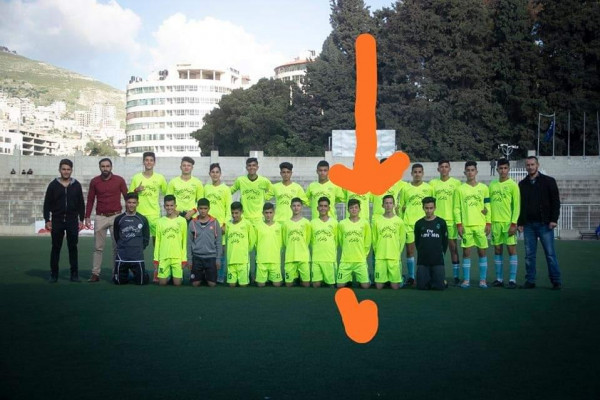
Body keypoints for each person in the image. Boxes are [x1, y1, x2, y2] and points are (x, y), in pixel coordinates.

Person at [517, 156, 562, 290]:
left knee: (550, 254)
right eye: (528, 165)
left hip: (545, 224)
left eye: (532, 164)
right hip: (528, 225)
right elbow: (521, 205)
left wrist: (554, 219)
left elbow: (555, 201)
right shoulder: (522, 184)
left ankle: (556, 281)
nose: (530, 167)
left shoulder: (549, 181)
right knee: (529, 255)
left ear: (537, 165)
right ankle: (530, 281)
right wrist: (520, 222)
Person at [85, 158, 128, 282]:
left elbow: (127, 197)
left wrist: (127, 215)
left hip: (116, 217)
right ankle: (95, 273)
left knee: (117, 247)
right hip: (100, 217)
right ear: (100, 167)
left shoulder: (119, 180)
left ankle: (116, 273)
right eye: (103, 166)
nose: (105, 168)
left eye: (107, 166)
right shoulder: (95, 181)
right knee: (98, 247)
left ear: (111, 167)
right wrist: (87, 216)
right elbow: (90, 199)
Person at [43, 159, 85, 283]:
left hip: (72, 221)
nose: (66, 171)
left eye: (68, 169)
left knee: (73, 248)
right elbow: (47, 204)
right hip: (57, 220)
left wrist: (81, 219)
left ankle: (74, 274)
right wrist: (47, 219)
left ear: (71, 170)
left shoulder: (76, 185)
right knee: (56, 248)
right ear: (59, 170)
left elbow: (81, 204)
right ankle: (54, 274)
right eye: (63, 169)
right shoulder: (53, 185)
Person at [454, 161, 491, 288]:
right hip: (467, 226)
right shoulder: (460, 189)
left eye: (472, 170)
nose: (470, 172)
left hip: (481, 225)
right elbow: (457, 208)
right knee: (466, 253)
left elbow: (487, 206)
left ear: (476, 172)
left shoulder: (484, 188)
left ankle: (482, 280)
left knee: (482, 252)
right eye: (468, 170)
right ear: (464, 172)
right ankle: (466, 280)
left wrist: (488, 222)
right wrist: (459, 224)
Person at [398, 163, 435, 286]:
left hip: (424, 224)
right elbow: (401, 206)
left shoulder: (429, 188)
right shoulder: (405, 188)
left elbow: (433, 207)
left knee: (425, 251)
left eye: (419, 172)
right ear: (412, 173)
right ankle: (411, 277)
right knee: (410, 251)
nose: (417, 174)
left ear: (423, 173)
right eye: (415, 172)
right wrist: (401, 222)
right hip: (409, 224)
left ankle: (425, 275)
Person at [429, 160, 462, 284]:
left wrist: (459, 221)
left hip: (451, 220)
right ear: (438, 169)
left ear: (450, 169)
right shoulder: (433, 183)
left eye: (446, 167)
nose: (444, 169)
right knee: (438, 250)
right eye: (441, 167)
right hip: (437, 221)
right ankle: (438, 275)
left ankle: (456, 277)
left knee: (453, 248)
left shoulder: (456, 183)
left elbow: (459, 203)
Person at [489, 158, 520, 289]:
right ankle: (499, 279)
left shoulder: (513, 185)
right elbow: (488, 203)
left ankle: (512, 280)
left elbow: (517, 206)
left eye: (505, 168)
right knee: (497, 250)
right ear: (497, 170)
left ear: (509, 169)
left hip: (508, 223)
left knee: (511, 250)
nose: (503, 171)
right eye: (500, 168)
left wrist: (514, 223)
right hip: (495, 222)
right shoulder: (492, 184)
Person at [113, 193, 150, 285]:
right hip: (122, 256)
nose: (131, 205)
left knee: (141, 282)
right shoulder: (119, 219)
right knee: (118, 282)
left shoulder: (142, 219)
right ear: (125, 203)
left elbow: (146, 237)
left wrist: (139, 248)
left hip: (137, 256)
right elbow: (116, 236)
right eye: (129, 202)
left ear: (137, 203)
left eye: (134, 203)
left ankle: (142, 274)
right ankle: (126, 275)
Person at [129, 152, 167, 241]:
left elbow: (167, 193)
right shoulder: (136, 177)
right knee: (139, 239)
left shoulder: (160, 178)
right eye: (146, 160)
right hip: (139, 213)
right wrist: (136, 190)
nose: (149, 162)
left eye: (151, 160)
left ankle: (156, 251)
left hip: (154, 214)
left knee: (156, 239)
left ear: (154, 162)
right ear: (143, 162)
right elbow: (129, 196)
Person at [204, 163, 232, 283]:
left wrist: (225, 224)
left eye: (217, 172)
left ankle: (220, 276)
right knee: (208, 251)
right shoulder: (206, 188)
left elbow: (228, 208)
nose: (215, 174)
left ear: (220, 174)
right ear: (209, 174)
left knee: (221, 252)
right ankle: (209, 275)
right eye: (213, 172)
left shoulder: (226, 189)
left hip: (220, 225)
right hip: (207, 224)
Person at [372, 195, 406, 289]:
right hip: (380, 256)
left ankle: (400, 279)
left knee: (395, 287)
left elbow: (402, 239)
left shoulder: (399, 221)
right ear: (382, 205)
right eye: (386, 203)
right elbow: (374, 239)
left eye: (390, 203)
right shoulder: (377, 221)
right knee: (379, 287)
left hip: (394, 256)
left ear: (394, 205)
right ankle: (385, 278)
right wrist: (377, 251)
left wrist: (398, 252)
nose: (388, 205)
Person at [414, 197, 448, 290]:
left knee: (439, 287)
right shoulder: (419, 223)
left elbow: (445, 242)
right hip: (423, 261)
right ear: (423, 208)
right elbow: (417, 242)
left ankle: (441, 280)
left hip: (437, 260)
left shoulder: (441, 222)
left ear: (435, 208)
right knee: (421, 287)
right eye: (426, 208)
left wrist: (440, 253)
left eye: (431, 208)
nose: (429, 211)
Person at [187, 198, 222, 287]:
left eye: (205, 208)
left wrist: (218, 259)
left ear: (209, 209)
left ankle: (206, 274)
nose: (203, 211)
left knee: (212, 284)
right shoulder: (192, 223)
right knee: (195, 284)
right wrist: (190, 260)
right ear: (197, 209)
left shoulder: (215, 222)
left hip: (211, 257)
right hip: (197, 257)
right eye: (201, 208)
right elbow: (189, 243)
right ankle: (201, 275)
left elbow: (218, 242)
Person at [154, 195, 188, 286]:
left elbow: (184, 241)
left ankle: (175, 275)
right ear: (164, 206)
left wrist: (184, 259)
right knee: (162, 283)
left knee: (177, 284)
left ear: (175, 206)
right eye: (167, 205)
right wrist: (156, 259)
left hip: (177, 257)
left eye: (171, 205)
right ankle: (168, 275)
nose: (169, 208)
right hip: (164, 257)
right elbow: (158, 241)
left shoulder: (182, 221)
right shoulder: (160, 221)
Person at [337, 199, 371, 289]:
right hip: (346, 260)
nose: (354, 210)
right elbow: (341, 240)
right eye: (351, 208)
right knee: (340, 285)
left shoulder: (365, 223)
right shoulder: (342, 223)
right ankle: (349, 279)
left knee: (365, 286)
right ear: (348, 210)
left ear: (359, 209)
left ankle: (364, 279)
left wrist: (363, 255)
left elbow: (367, 241)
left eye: (356, 207)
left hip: (360, 260)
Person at [230, 157, 273, 226]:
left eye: (254, 165)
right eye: (249, 165)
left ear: (257, 167)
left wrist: (264, 197)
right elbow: (230, 191)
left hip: (259, 217)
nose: (251, 167)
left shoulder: (263, 181)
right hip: (244, 217)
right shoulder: (240, 180)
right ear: (246, 167)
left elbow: (273, 190)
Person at [225, 202, 256, 287]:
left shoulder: (247, 224)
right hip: (231, 260)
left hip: (243, 261)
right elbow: (227, 238)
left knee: (243, 285)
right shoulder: (228, 224)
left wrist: (246, 250)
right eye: (232, 213)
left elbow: (252, 239)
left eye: (236, 213)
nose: (234, 215)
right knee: (231, 285)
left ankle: (248, 276)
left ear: (242, 212)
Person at [283, 197, 312, 287]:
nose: (296, 208)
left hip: (303, 257)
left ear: (301, 207)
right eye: (294, 206)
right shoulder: (286, 223)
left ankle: (299, 277)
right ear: (290, 207)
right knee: (288, 285)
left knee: (306, 284)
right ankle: (296, 276)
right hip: (290, 257)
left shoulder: (306, 222)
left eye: (298, 206)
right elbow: (285, 240)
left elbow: (307, 239)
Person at [310, 197, 338, 288]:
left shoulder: (334, 223)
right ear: (317, 208)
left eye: (325, 206)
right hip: (316, 258)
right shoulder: (312, 223)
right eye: (321, 206)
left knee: (331, 286)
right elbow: (310, 239)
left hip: (329, 259)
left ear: (329, 208)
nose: (323, 208)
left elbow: (337, 240)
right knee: (316, 285)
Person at [166, 156, 204, 221]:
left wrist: (193, 211)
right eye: (184, 165)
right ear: (180, 167)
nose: (186, 167)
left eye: (189, 165)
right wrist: (175, 211)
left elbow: (200, 201)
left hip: (192, 216)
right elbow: (168, 200)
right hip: (176, 216)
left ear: (192, 168)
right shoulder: (173, 182)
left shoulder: (198, 183)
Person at [255, 202, 283, 287]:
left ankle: (271, 278)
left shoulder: (279, 226)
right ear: (263, 213)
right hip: (262, 260)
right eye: (266, 213)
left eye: (270, 213)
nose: (268, 215)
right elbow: (254, 242)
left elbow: (282, 242)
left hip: (275, 260)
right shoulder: (257, 226)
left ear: (274, 213)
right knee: (260, 285)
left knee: (277, 285)